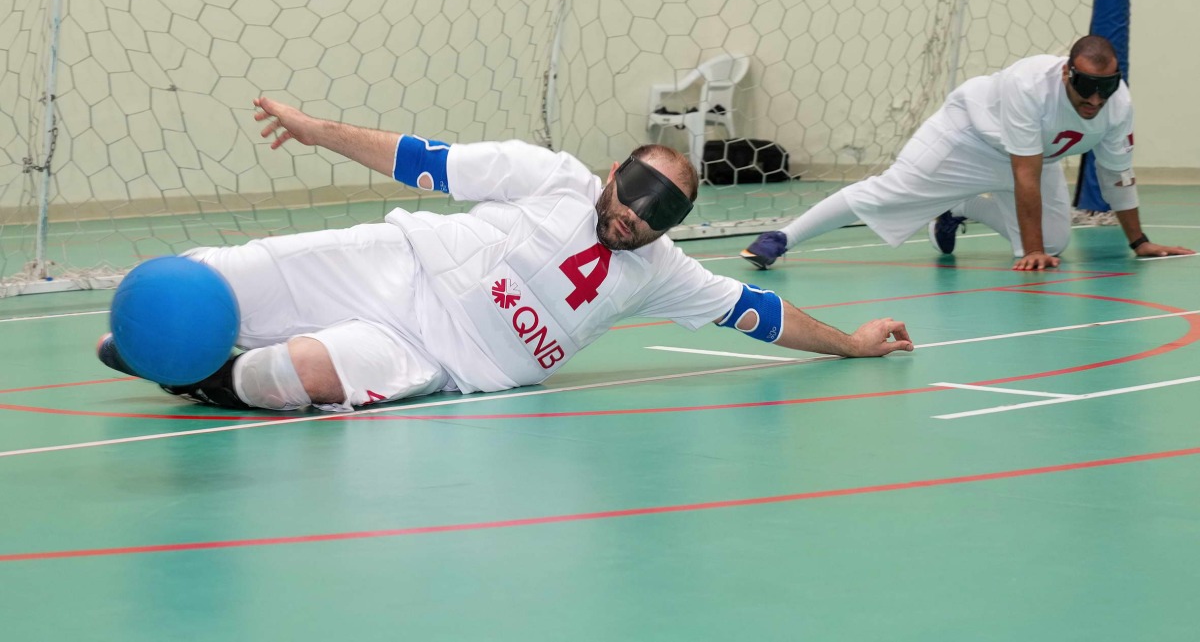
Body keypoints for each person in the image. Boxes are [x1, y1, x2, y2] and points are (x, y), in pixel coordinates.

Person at [97, 97, 913, 412]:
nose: (633, 217)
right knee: (206, 279)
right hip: (396, 262)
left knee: (293, 378)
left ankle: (191, 369)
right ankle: (174, 325)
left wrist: (850, 341)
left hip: (437, 353)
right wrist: (320, 131)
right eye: (633, 191)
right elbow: (423, 159)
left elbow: (757, 314)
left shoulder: (662, 273)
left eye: (658, 214)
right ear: (611, 174)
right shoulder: (551, 176)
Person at [741, 35, 1194, 272]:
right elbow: (1024, 174)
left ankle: (959, 208)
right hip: (966, 139)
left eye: (1107, 87)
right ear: (1065, 73)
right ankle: (781, 240)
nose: (1095, 100)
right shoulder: (1028, 85)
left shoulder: (1118, 105)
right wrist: (1028, 251)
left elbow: (1119, 173)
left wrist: (1139, 242)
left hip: (1033, 161)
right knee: (887, 193)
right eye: (1086, 87)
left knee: (1056, 243)